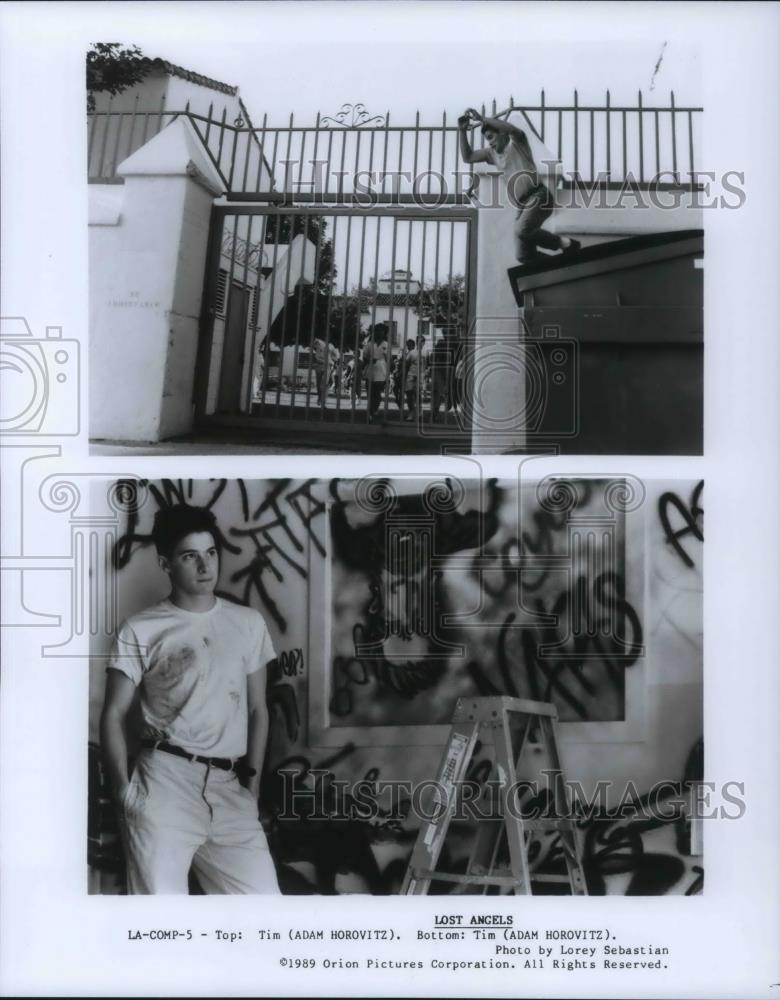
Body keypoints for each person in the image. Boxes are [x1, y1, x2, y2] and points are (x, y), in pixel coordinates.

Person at [100, 504, 280, 895]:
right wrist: (123, 792)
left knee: (265, 913)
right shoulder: (142, 628)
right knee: (160, 921)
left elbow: (257, 709)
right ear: (166, 564)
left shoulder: (247, 623)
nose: (205, 565)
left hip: (230, 787)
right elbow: (113, 714)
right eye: (190, 556)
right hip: (164, 782)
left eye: (211, 552)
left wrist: (252, 790)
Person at [458, 107, 581, 266]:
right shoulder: (491, 154)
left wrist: (483, 119)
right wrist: (462, 131)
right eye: (488, 140)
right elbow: (468, 157)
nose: (491, 143)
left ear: (502, 134)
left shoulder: (518, 142)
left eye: (491, 137)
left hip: (539, 197)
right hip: (523, 206)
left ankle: (568, 244)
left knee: (522, 231)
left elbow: (510, 129)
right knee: (523, 255)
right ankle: (560, 266)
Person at [361, 325, 389, 422]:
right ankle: (371, 413)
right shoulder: (369, 345)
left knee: (377, 394)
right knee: (370, 394)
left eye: (381, 331)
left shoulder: (386, 345)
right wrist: (369, 360)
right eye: (377, 331)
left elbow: (389, 360)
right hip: (370, 371)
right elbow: (364, 357)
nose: (379, 333)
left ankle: (373, 410)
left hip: (381, 372)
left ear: (384, 333)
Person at [403, 335, 425, 421]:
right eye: (418, 341)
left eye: (422, 342)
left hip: (420, 376)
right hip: (410, 375)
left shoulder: (425, 353)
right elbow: (406, 364)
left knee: (418, 394)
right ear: (416, 342)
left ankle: (419, 411)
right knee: (409, 394)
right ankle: (411, 412)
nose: (420, 343)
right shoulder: (411, 352)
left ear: (423, 343)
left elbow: (426, 365)